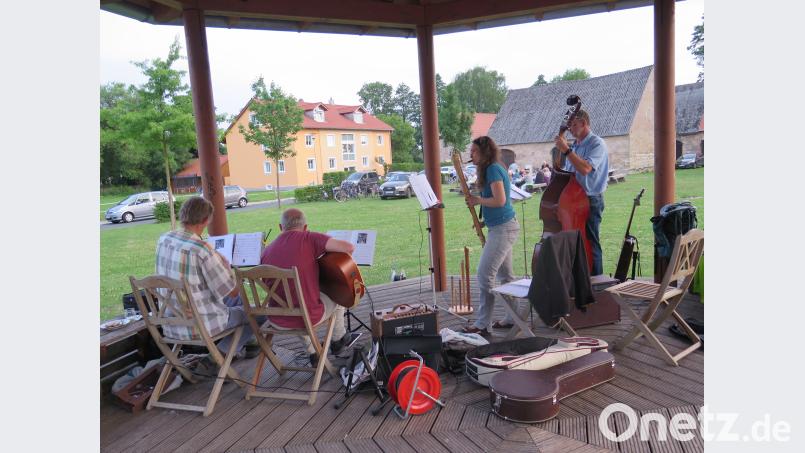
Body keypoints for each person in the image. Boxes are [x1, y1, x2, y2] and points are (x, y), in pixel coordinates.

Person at [155, 196, 260, 366]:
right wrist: (225, 265)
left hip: (169, 321)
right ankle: (219, 356)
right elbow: (232, 290)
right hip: (199, 325)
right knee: (255, 313)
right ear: (205, 220)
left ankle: (239, 347)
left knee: (240, 302)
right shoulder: (201, 250)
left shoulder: (164, 239)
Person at [260, 208, 361, 365]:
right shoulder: (309, 238)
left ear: (281, 227)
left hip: (277, 318)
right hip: (307, 317)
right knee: (337, 294)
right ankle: (339, 340)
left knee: (294, 299)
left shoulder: (266, 251)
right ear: (305, 227)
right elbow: (349, 248)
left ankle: (313, 352)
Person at [461, 136, 521, 336]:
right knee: (507, 277)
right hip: (500, 226)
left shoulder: (494, 169)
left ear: (485, 152)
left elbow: (500, 200)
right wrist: (485, 221)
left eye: (475, 151)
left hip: (504, 229)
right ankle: (514, 318)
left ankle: (482, 323)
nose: (471, 154)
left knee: (485, 275)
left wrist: (477, 200)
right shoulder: (490, 168)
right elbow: (496, 203)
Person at [553, 109, 610, 276]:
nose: (570, 128)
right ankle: (580, 281)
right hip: (574, 201)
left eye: (573, 124)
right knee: (574, 244)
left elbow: (585, 168)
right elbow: (570, 175)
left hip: (591, 200)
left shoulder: (596, 143)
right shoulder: (576, 145)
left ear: (584, 123)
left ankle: (597, 284)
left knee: (591, 243)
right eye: (569, 125)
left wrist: (567, 151)